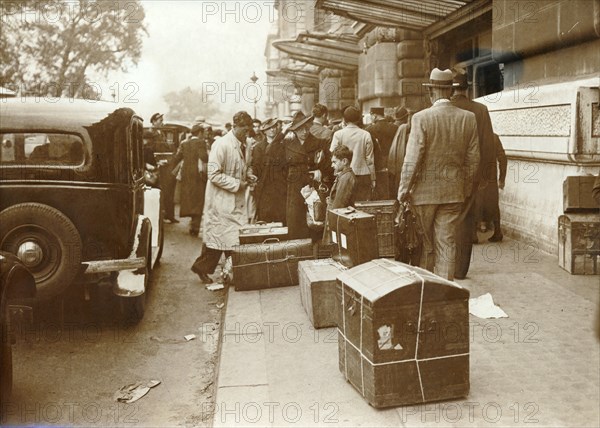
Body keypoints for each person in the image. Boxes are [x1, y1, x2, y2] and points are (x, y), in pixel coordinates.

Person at [397, 68, 480, 281]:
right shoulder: (468, 118)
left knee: (425, 245)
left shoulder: (421, 118)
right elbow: (473, 159)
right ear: (451, 92)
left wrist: (403, 190)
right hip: (453, 193)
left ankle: (426, 290)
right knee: (447, 243)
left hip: (423, 194)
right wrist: (466, 188)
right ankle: (444, 290)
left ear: (431, 91)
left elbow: (412, 159)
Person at [191, 111, 255, 284]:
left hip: (236, 201)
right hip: (221, 200)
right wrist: (237, 183)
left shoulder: (246, 144)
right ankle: (203, 268)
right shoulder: (221, 144)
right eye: (243, 130)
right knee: (220, 240)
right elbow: (213, 174)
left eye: (248, 130)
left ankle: (230, 273)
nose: (246, 133)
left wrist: (249, 175)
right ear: (234, 126)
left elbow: (246, 166)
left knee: (231, 239)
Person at [451, 69, 496, 278]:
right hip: (472, 175)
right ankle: (460, 269)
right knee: (466, 220)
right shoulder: (481, 110)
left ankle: (444, 266)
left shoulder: (444, 109)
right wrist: (485, 177)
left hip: (444, 175)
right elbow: (488, 146)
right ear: (468, 88)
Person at [284, 111, 333, 240]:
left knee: (315, 219)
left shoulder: (320, 143)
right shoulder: (286, 144)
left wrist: (321, 172)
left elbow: (328, 165)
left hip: (314, 187)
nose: (304, 132)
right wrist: (282, 133)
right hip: (295, 188)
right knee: (296, 220)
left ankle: (315, 252)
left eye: (307, 127)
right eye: (300, 129)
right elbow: (282, 168)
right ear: (294, 130)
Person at [330, 106, 376, 202]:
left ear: (344, 119)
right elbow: (370, 160)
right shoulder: (366, 134)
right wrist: (373, 178)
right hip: (363, 175)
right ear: (358, 119)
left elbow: (333, 154)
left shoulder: (338, 134)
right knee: (361, 206)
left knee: (344, 206)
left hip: (344, 175)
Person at [171, 123, 208, 236]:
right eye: (204, 132)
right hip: (198, 176)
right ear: (200, 133)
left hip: (186, 176)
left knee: (190, 200)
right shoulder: (201, 143)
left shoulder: (185, 143)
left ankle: (192, 223)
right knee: (198, 200)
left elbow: (177, 157)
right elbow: (204, 157)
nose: (205, 134)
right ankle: (195, 227)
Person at [254, 118, 287, 224]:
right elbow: (257, 167)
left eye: (274, 127)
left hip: (281, 185)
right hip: (265, 186)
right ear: (264, 131)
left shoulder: (283, 145)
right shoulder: (259, 147)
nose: (272, 130)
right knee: (265, 218)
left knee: (281, 216)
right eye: (269, 128)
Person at [477, 133, 507, 242]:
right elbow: (503, 158)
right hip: (491, 178)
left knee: (474, 203)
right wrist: (501, 179)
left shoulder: (474, 135)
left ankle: (472, 234)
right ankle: (497, 231)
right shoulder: (494, 137)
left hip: (476, 178)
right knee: (494, 203)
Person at [367, 106, 399, 199]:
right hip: (393, 163)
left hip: (377, 165)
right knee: (392, 191)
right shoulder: (395, 128)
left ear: (374, 115)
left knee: (379, 193)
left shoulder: (369, 130)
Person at [387, 107, 411, 194]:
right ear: (407, 117)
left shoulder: (389, 127)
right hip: (402, 165)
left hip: (390, 166)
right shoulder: (407, 129)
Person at [328, 144, 356, 209]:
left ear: (344, 161)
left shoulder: (346, 178)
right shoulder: (344, 176)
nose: (332, 165)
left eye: (334, 162)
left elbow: (339, 205)